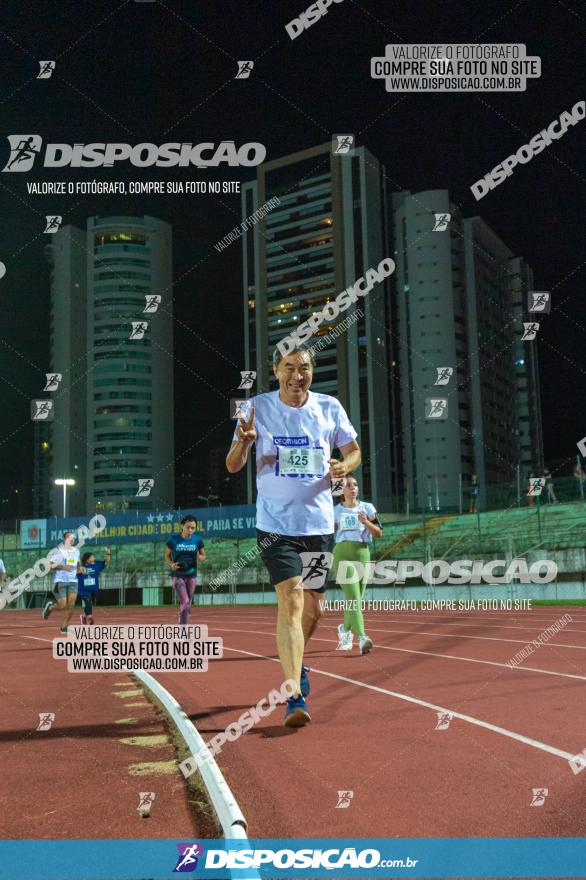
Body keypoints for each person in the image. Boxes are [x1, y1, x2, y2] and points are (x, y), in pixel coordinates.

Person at [226, 344, 361, 727]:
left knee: (314, 608)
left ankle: (296, 667)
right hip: (275, 527)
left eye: (303, 368)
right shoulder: (254, 406)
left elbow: (354, 452)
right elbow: (233, 466)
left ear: (312, 371)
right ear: (276, 370)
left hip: (318, 526)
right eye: (289, 367)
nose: (296, 375)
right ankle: (294, 692)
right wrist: (244, 441)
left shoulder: (329, 407)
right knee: (291, 596)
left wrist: (342, 466)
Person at [333, 475, 382, 655]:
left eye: (355, 484)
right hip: (342, 554)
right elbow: (327, 531)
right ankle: (362, 637)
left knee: (355, 599)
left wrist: (366, 521)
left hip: (362, 554)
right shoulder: (335, 510)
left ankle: (344, 630)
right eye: (347, 485)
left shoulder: (368, 508)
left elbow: (378, 533)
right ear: (341, 490)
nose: (352, 487)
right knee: (354, 598)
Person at [165, 515, 206, 624]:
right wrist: (171, 564)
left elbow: (203, 556)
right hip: (177, 575)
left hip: (192, 575)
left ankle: (183, 618)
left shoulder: (197, 540)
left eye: (193, 528)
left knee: (188, 605)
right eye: (188, 527)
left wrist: (199, 556)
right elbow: (167, 555)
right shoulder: (173, 539)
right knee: (185, 601)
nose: (190, 530)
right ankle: (184, 632)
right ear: (182, 526)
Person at [42, 531, 81, 633]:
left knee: (71, 604)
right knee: (62, 605)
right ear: (65, 539)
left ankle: (64, 626)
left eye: (73, 538)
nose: (72, 539)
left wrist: (80, 569)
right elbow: (50, 565)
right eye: (70, 537)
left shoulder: (76, 551)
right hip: (60, 581)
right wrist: (63, 567)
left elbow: (77, 563)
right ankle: (50, 607)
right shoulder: (59, 551)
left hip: (73, 581)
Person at [77, 546, 111, 624]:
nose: (93, 557)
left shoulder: (97, 565)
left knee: (89, 604)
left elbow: (106, 562)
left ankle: (84, 617)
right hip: (83, 590)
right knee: (88, 601)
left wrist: (108, 552)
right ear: (87, 559)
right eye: (91, 557)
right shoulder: (81, 567)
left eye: (93, 556)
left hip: (94, 590)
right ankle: (90, 618)